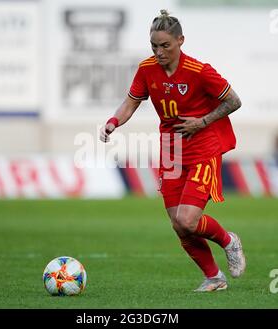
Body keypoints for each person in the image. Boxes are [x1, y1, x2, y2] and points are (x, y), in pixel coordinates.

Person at [100, 9, 246, 292]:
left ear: (181, 41)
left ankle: (229, 241)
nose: (159, 51)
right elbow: (130, 103)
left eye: (165, 45)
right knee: (179, 226)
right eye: (154, 46)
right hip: (171, 151)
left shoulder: (199, 71)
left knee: (187, 219)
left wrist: (202, 122)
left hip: (203, 148)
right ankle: (215, 278)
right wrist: (113, 121)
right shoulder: (146, 69)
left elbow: (234, 101)